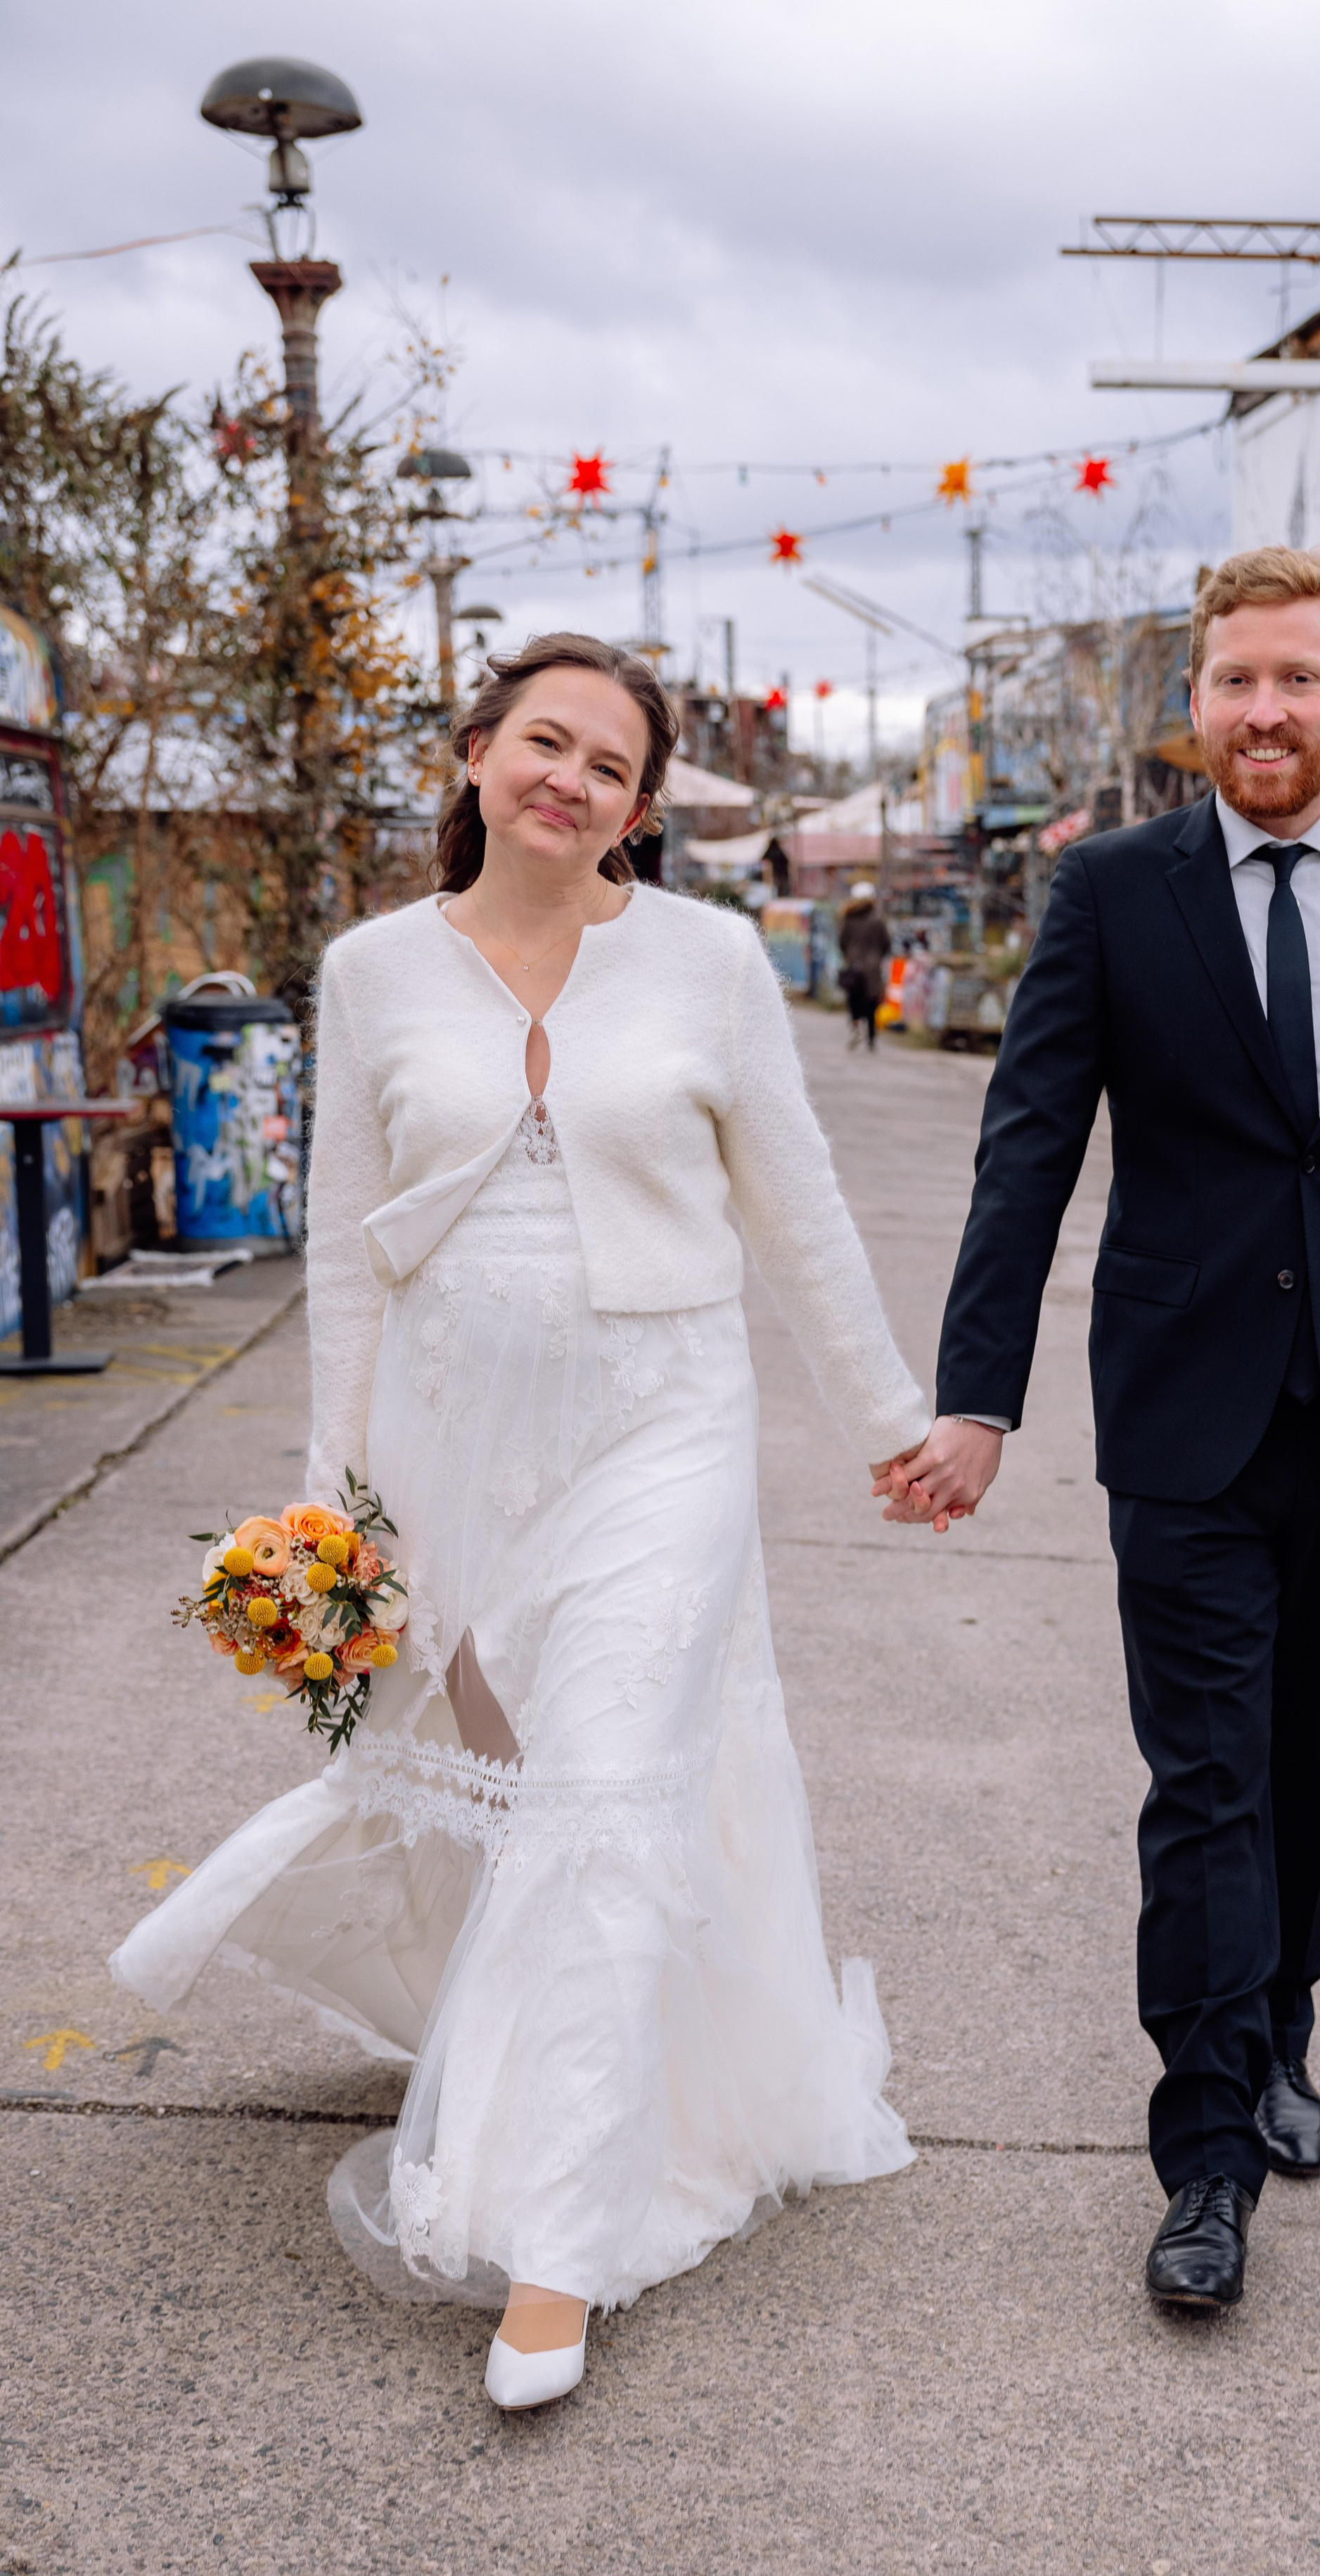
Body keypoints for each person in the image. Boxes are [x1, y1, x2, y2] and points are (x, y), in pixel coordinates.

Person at [113, 633, 932, 2409]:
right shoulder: (370, 970)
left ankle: (553, 2242)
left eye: (608, 763)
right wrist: (333, 1512)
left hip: (666, 1423)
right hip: (453, 1437)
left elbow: (794, 1215)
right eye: (540, 742)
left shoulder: (713, 966)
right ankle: (564, 2063)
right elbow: (343, 1246)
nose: (568, 778)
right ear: (478, 755)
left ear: (638, 809)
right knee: (499, 1805)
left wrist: (892, 1422)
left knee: (607, 1786)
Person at [883, 545, 1320, 2313]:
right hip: (1177, 1415)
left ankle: (1274, 2027)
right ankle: (1202, 2155)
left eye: (1294, 680)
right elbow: (1029, 1148)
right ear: (1194, 708)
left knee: (1317, 1765)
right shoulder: (1111, 889)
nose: (1263, 711)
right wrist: (975, 1393)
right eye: (1233, 682)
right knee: (1205, 1780)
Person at [837, 880, 890, 1049]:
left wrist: (849, 956)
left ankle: (856, 1027)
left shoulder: (848, 918)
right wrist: (878, 957)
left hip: (854, 965)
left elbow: (842, 941)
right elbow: (886, 943)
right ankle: (871, 1037)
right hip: (873, 968)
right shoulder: (878, 920)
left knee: (854, 999)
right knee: (871, 1001)